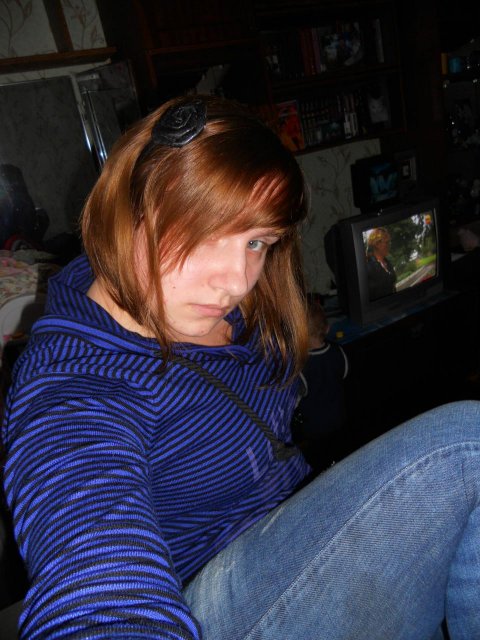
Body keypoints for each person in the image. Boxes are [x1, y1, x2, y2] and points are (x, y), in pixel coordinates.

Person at [1, 95, 480, 640]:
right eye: (203, 234)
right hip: (209, 610)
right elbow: (93, 570)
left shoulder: (221, 304)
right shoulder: (74, 386)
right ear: (127, 208)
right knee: (467, 449)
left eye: (256, 241)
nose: (236, 280)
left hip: (290, 541)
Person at [292, 294, 349, 473]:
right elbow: (344, 376)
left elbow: (294, 403)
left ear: (299, 335)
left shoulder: (300, 368)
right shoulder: (339, 351)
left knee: (320, 461)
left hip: (314, 429)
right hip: (339, 420)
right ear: (327, 328)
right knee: (338, 454)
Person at [366, 226, 397, 300]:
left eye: (389, 242)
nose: (389, 245)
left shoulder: (388, 263)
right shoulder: (368, 267)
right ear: (377, 244)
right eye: (386, 242)